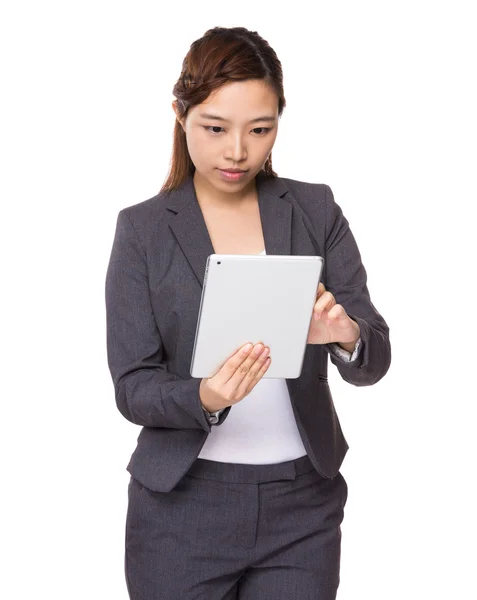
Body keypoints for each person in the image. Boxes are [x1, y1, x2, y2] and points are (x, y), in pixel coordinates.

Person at [105, 25, 391, 600]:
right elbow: (133, 386)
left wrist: (344, 334)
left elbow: (375, 355)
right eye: (215, 128)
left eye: (261, 130)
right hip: (182, 506)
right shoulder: (142, 229)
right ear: (180, 114)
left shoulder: (314, 209)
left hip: (302, 505)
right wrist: (205, 396)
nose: (238, 151)